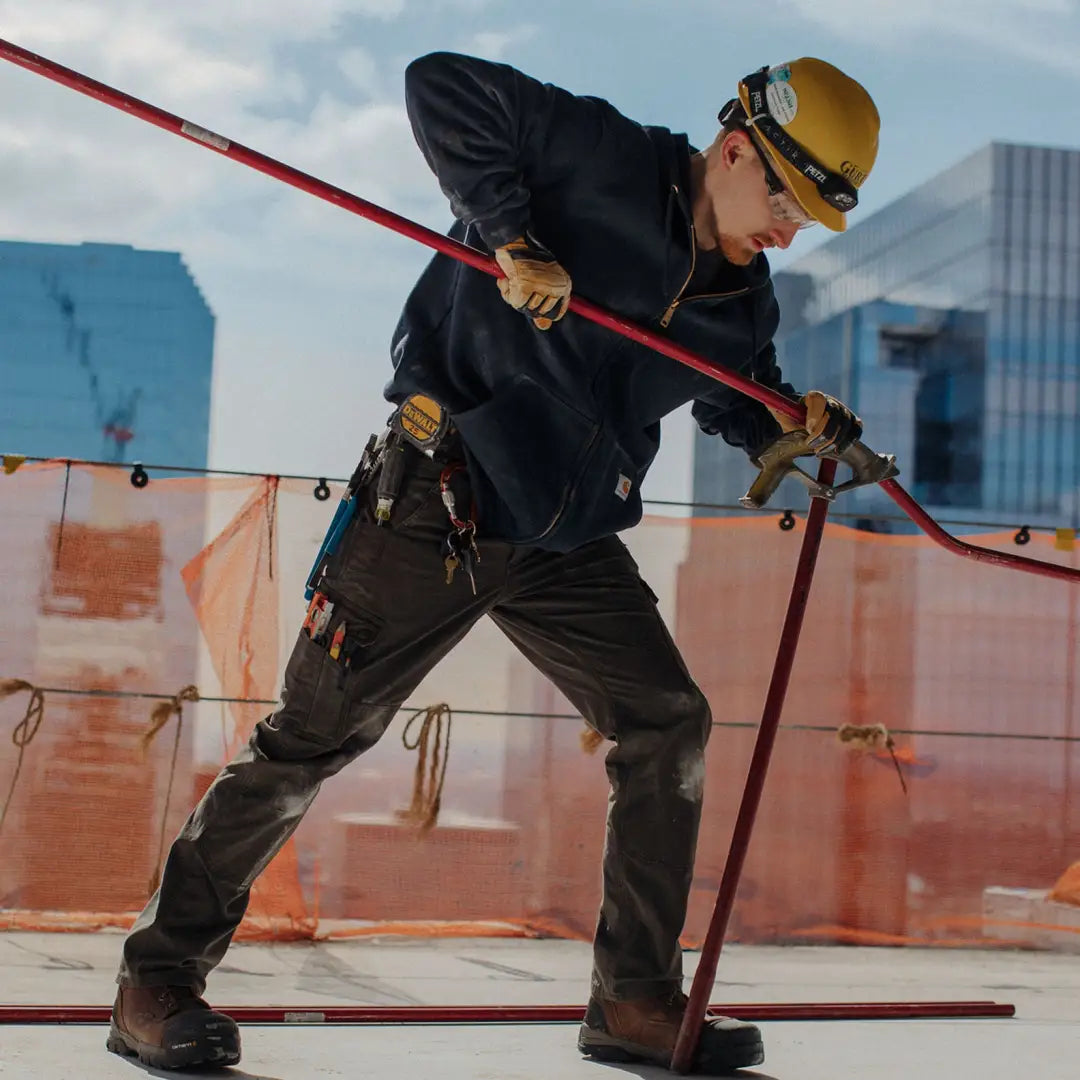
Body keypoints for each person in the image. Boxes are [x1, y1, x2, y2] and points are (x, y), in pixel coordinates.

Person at [106, 51, 879, 1074]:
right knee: (313, 738)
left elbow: (734, 392)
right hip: (443, 499)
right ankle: (156, 981)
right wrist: (512, 239)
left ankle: (635, 1000)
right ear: (737, 149)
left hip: (567, 536)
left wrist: (791, 419)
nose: (789, 232)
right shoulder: (601, 156)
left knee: (667, 719)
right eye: (786, 202)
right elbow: (441, 86)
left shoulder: (742, 297)